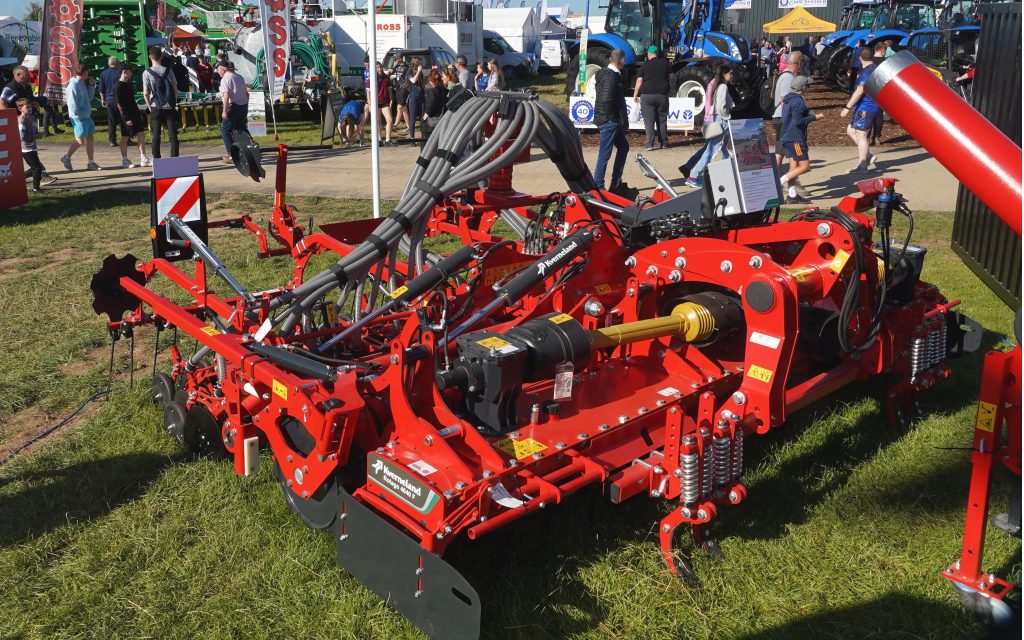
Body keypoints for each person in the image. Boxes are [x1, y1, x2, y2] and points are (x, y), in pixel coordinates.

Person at [686, 61, 734, 189]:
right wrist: (725, 117)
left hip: (714, 119)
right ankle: (694, 175)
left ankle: (728, 172)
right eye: (730, 73)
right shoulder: (722, 87)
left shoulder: (715, 84)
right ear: (724, 74)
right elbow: (721, 107)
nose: (732, 75)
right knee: (711, 150)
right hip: (720, 120)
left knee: (723, 147)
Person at [778, 76, 823, 204]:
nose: (808, 88)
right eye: (807, 86)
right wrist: (815, 117)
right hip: (795, 139)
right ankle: (779, 182)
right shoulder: (798, 101)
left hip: (787, 137)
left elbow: (793, 117)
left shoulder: (788, 100)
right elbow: (798, 121)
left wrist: (807, 113)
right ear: (803, 87)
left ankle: (792, 196)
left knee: (795, 166)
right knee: (804, 166)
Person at [592, 49, 630, 193]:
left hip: (612, 120)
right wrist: (612, 119)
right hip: (609, 120)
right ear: (621, 61)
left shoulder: (609, 75)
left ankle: (616, 182)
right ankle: (598, 186)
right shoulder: (610, 77)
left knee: (624, 147)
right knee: (604, 154)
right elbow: (607, 99)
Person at [842, 47, 879, 174]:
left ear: (860, 58)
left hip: (866, 106)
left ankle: (863, 165)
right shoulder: (874, 69)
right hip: (867, 106)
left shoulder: (866, 72)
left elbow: (859, 91)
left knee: (861, 134)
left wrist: (847, 107)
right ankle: (868, 156)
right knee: (850, 130)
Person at [61, 64, 101, 172]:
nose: (88, 75)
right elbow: (72, 103)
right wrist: (78, 116)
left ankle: (91, 163)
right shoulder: (73, 86)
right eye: (87, 72)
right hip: (78, 117)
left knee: (90, 138)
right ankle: (67, 157)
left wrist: (92, 86)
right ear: (84, 73)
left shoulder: (82, 82)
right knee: (79, 141)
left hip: (86, 116)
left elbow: (89, 97)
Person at [142, 45, 180, 159]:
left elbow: (145, 93)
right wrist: (173, 101)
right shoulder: (169, 71)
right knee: (173, 134)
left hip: (155, 106)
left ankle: (157, 159)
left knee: (156, 135)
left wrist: (149, 106)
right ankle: (174, 157)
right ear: (161, 56)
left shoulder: (146, 73)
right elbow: (175, 89)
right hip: (169, 106)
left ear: (150, 57)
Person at [632, 45, 670, 151]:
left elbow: (639, 80)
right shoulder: (665, 63)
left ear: (649, 54)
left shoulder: (645, 65)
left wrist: (635, 94)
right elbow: (670, 77)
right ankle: (664, 143)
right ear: (657, 54)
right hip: (662, 95)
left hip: (647, 96)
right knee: (662, 121)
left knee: (649, 121)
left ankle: (650, 144)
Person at [17, 98, 57, 192]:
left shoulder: (30, 117)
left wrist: (38, 134)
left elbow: (34, 130)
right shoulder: (21, 121)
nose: (30, 108)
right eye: (27, 107)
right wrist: (35, 136)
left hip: (32, 147)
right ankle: (36, 188)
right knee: (37, 168)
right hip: (26, 148)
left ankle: (20, 178)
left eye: (30, 106)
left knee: (35, 167)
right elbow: (22, 137)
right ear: (20, 109)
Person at [115, 64, 151, 168]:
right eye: (130, 71)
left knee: (141, 133)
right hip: (125, 116)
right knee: (125, 137)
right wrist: (126, 118)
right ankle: (125, 160)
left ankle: (143, 158)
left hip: (135, 113)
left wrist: (138, 113)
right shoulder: (117, 86)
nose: (132, 73)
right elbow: (119, 104)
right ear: (124, 71)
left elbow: (133, 101)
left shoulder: (129, 84)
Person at [771, 51, 801, 167]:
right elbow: (785, 100)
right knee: (795, 151)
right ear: (798, 63)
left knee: (781, 149)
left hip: (781, 118)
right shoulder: (788, 78)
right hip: (785, 119)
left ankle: (776, 176)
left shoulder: (787, 76)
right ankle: (792, 180)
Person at [218, 61, 249, 163]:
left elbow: (226, 96)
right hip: (243, 105)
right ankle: (252, 148)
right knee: (241, 128)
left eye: (218, 70)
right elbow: (246, 94)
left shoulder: (225, 79)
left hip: (234, 106)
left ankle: (232, 155)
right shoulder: (239, 77)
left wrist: (224, 111)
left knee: (225, 130)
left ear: (223, 69)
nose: (218, 72)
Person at [98, 56, 122, 147]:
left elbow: (101, 89)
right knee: (123, 120)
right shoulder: (119, 73)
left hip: (109, 100)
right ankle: (126, 140)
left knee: (111, 121)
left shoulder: (103, 73)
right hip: (120, 100)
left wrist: (103, 100)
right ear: (117, 63)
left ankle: (112, 140)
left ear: (109, 63)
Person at [371, 61, 395, 146]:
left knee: (390, 119)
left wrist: (391, 99)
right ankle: (379, 140)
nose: (379, 69)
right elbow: (369, 92)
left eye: (380, 67)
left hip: (385, 101)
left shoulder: (386, 78)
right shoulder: (373, 78)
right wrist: (370, 103)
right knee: (378, 120)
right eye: (377, 67)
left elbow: (389, 89)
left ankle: (388, 139)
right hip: (376, 102)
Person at [405, 57, 425, 145]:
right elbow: (413, 80)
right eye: (420, 63)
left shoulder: (421, 73)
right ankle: (412, 139)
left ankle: (423, 137)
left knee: (422, 118)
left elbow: (422, 84)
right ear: (416, 63)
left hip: (421, 97)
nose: (421, 64)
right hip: (413, 97)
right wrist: (418, 71)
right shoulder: (409, 72)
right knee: (412, 118)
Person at [423, 69, 446, 140]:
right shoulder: (443, 90)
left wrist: (425, 115)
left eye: (430, 81)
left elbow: (430, 105)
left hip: (432, 120)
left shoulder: (433, 91)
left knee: (428, 140)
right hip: (441, 118)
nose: (429, 82)